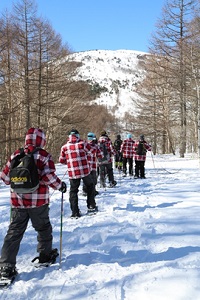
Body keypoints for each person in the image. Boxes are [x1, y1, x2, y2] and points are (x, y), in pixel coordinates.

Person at [0, 127, 66, 278]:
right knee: (43, 228)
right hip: (38, 202)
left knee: (14, 232)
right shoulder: (43, 156)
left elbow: (4, 178)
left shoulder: (16, 154)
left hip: (18, 203)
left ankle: (6, 266)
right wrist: (61, 186)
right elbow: (49, 177)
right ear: (41, 140)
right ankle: (45, 255)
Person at [59, 129, 98, 218]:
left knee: (73, 191)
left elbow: (61, 160)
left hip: (73, 173)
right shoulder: (82, 144)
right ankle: (91, 205)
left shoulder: (64, 147)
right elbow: (92, 151)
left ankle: (75, 212)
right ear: (77, 135)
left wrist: (69, 161)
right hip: (84, 170)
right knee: (90, 186)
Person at [82, 132, 103, 196]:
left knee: (86, 179)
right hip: (93, 165)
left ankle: (85, 191)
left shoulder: (83, 145)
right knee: (93, 179)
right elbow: (100, 155)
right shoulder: (95, 146)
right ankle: (92, 191)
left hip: (85, 165)